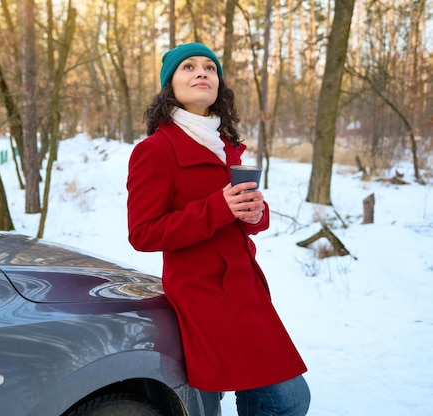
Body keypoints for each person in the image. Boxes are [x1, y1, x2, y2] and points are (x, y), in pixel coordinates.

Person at [126, 43, 310, 416]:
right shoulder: (155, 150)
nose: (202, 73)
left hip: (245, 291)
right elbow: (142, 233)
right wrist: (217, 208)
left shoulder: (227, 146)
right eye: (188, 67)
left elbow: (246, 216)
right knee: (208, 408)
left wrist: (256, 214)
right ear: (170, 86)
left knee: (288, 400)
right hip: (202, 298)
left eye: (210, 68)